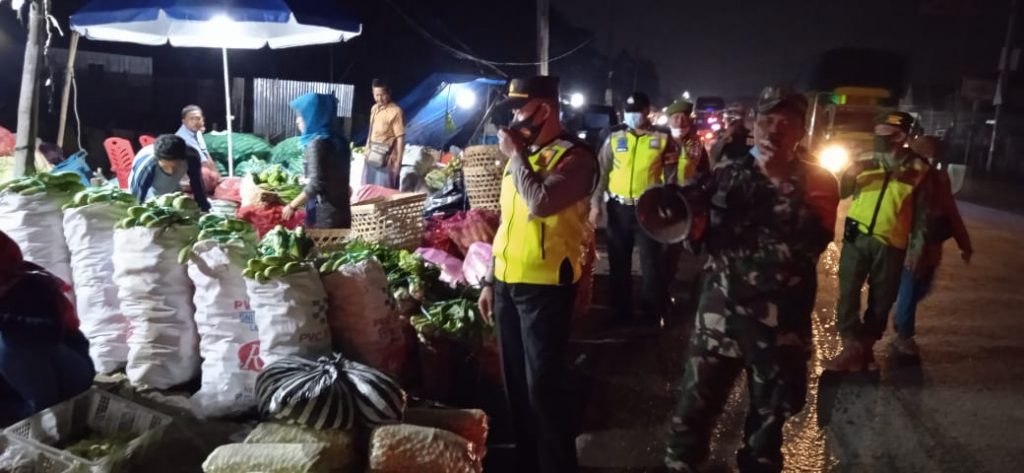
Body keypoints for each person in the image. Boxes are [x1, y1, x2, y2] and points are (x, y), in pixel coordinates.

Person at [664, 86, 839, 473]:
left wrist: (772, 181)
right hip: (718, 320)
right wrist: (687, 218)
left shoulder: (819, 181)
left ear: (801, 131)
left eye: (785, 122)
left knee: (765, 431)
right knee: (689, 419)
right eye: (766, 120)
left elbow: (809, 245)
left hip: (778, 329)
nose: (774, 130)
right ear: (753, 123)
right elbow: (698, 242)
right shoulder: (725, 172)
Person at [477, 76, 597, 473]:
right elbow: (508, 223)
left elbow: (541, 203)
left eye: (519, 109)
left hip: (545, 288)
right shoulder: (524, 156)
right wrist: (490, 280)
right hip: (508, 283)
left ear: (543, 109)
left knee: (544, 389)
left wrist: (516, 155)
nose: (513, 118)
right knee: (515, 387)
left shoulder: (576, 158)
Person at [826, 111, 931, 371]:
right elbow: (841, 192)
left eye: (887, 133)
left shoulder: (919, 168)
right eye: (878, 131)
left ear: (902, 136)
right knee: (848, 292)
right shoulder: (863, 159)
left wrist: (917, 248)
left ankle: (866, 347)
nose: (880, 137)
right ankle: (850, 345)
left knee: (882, 300)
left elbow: (922, 215)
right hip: (857, 238)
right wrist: (851, 173)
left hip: (892, 243)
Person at [592, 92, 680, 326]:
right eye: (629, 111)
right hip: (618, 209)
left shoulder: (663, 138)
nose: (632, 116)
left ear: (647, 111)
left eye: (637, 111)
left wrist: (666, 204)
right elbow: (602, 172)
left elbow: (671, 176)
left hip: (648, 209)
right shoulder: (613, 136)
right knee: (618, 262)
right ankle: (620, 312)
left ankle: (651, 313)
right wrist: (595, 204)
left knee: (651, 263)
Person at [0, 231, 94, 427]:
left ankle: (44, 417)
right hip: (18, 386)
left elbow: (47, 334)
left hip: (67, 378)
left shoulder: (29, 285)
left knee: (8, 341)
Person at [891, 136, 972, 356]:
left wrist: (964, 244)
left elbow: (951, 212)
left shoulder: (939, 179)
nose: (930, 158)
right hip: (910, 244)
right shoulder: (906, 175)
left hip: (932, 244)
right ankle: (904, 335)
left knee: (922, 288)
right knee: (910, 287)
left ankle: (901, 315)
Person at [281, 92, 352, 229]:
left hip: (324, 216)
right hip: (342, 213)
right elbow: (339, 181)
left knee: (322, 243)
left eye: (302, 116)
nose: (297, 121)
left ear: (313, 116)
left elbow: (315, 185)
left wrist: (291, 206)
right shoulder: (339, 141)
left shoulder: (317, 143)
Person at [128, 134, 212, 212]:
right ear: (158, 160)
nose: (171, 172)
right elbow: (135, 200)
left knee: (175, 209)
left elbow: (197, 185)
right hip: (149, 189)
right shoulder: (147, 165)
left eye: (176, 166)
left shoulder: (192, 157)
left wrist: (204, 208)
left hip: (173, 187)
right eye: (166, 167)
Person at [363, 79, 405, 189]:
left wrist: (398, 162)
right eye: (376, 95)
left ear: (389, 93)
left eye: (382, 95)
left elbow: (400, 138)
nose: (379, 98)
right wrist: (367, 148)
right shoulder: (374, 108)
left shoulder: (396, 111)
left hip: (387, 160)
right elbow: (371, 130)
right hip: (372, 155)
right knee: (369, 188)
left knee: (384, 191)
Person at [175, 104, 221, 175]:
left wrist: (217, 176)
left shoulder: (196, 132)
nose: (195, 122)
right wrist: (215, 176)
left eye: (198, 118)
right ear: (184, 121)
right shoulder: (184, 138)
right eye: (191, 119)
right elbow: (203, 163)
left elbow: (206, 154)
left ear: (202, 119)